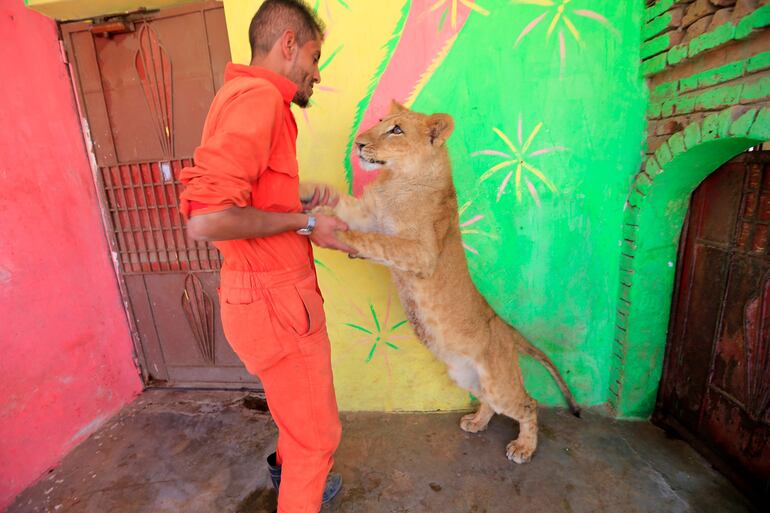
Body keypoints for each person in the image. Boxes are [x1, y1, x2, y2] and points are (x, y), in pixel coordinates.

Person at [178, 1, 354, 511]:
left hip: (254, 295)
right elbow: (209, 217)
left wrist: (297, 196)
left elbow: (250, 193)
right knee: (317, 438)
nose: (316, 74)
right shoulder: (259, 100)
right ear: (288, 44)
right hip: (274, 299)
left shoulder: (238, 96)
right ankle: (302, 489)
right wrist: (307, 222)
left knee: (291, 410)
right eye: (315, 57)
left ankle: (291, 477)